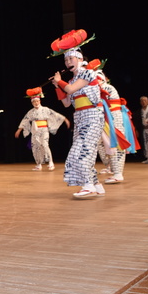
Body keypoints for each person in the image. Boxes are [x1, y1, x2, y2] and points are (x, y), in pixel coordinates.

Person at [50, 29, 105, 198]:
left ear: (80, 59)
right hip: (81, 119)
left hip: (93, 117)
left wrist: (60, 82)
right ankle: (96, 185)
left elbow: (72, 89)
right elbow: (67, 103)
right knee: (84, 151)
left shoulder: (88, 72)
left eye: (70, 58)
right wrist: (57, 86)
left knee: (80, 152)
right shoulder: (72, 79)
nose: (67, 62)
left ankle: (88, 185)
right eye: (65, 59)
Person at [94, 63, 136, 184]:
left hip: (113, 119)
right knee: (102, 144)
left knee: (116, 144)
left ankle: (118, 173)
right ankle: (112, 168)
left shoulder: (107, 88)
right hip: (107, 119)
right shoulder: (102, 88)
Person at [14, 88, 69, 171]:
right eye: (34, 102)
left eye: (37, 101)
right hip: (35, 131)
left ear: (40, 101)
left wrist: (65, 119)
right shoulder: (30, 112)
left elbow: (55, 114)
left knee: (45, 144)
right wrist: (19, 129)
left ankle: (51, 162)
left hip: (44, 130)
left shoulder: (45, 109)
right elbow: (25, 120)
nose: (36, 103)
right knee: (36, 147)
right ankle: (39, 164)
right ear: (32, 102)